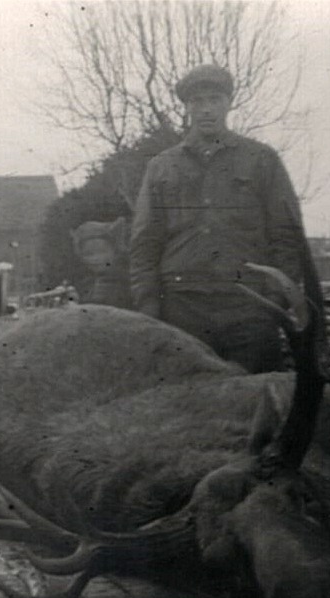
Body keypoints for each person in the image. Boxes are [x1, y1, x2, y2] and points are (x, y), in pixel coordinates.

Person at [130, 64, 308, 373]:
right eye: (197, 102)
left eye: (215, 99)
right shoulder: (161, 167)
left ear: (229, 103)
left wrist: (274, 303)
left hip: (249, 306)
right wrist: (150, 306)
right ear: (186, 107)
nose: (206, 110)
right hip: (182, 307)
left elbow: (286, 236)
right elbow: (145, 242)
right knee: (188, 405)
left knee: (257, 404)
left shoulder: (261, 160)